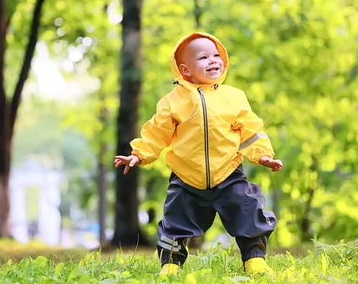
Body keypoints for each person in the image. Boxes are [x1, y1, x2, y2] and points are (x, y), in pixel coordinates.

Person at [114, 32, 283, 276]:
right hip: (186, 176)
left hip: (228, 172)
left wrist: (262, 155)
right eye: (203, 57)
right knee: (174, 221)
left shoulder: (233, 97)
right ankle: (170, 265)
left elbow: (251, 130)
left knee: (248, 209)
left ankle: (254, 260)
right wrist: (138, 154)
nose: (213, 60)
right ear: (185, 70)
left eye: (216, 55)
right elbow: (156, 133)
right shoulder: (172, 102)